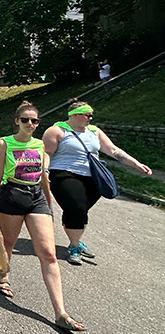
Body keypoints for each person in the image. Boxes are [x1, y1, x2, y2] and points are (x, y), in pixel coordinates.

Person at [0, 102, 87, 332]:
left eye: (34, 121)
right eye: (25, 120)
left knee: (49, 254)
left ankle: (60, 313)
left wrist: (49, 205)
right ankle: (3, 277)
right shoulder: (5, 143)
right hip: (12, 195)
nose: (30, 124)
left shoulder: (39, 144)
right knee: (9, 244)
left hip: (36, 198)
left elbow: (44, 178)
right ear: (17, 121)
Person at [43, 100, 152, 265]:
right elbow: (46, 153)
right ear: (75, 115)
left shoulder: (94, 131)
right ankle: (74, 247)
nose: (90, 118)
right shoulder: (56, 131)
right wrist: (44, 171)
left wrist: (135, 164)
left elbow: (114, 150)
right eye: (87, 115)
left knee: (78, 211)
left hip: (92, 177)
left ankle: (76, 240)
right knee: (77, 207)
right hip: (64, 174)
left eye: (91, 115)